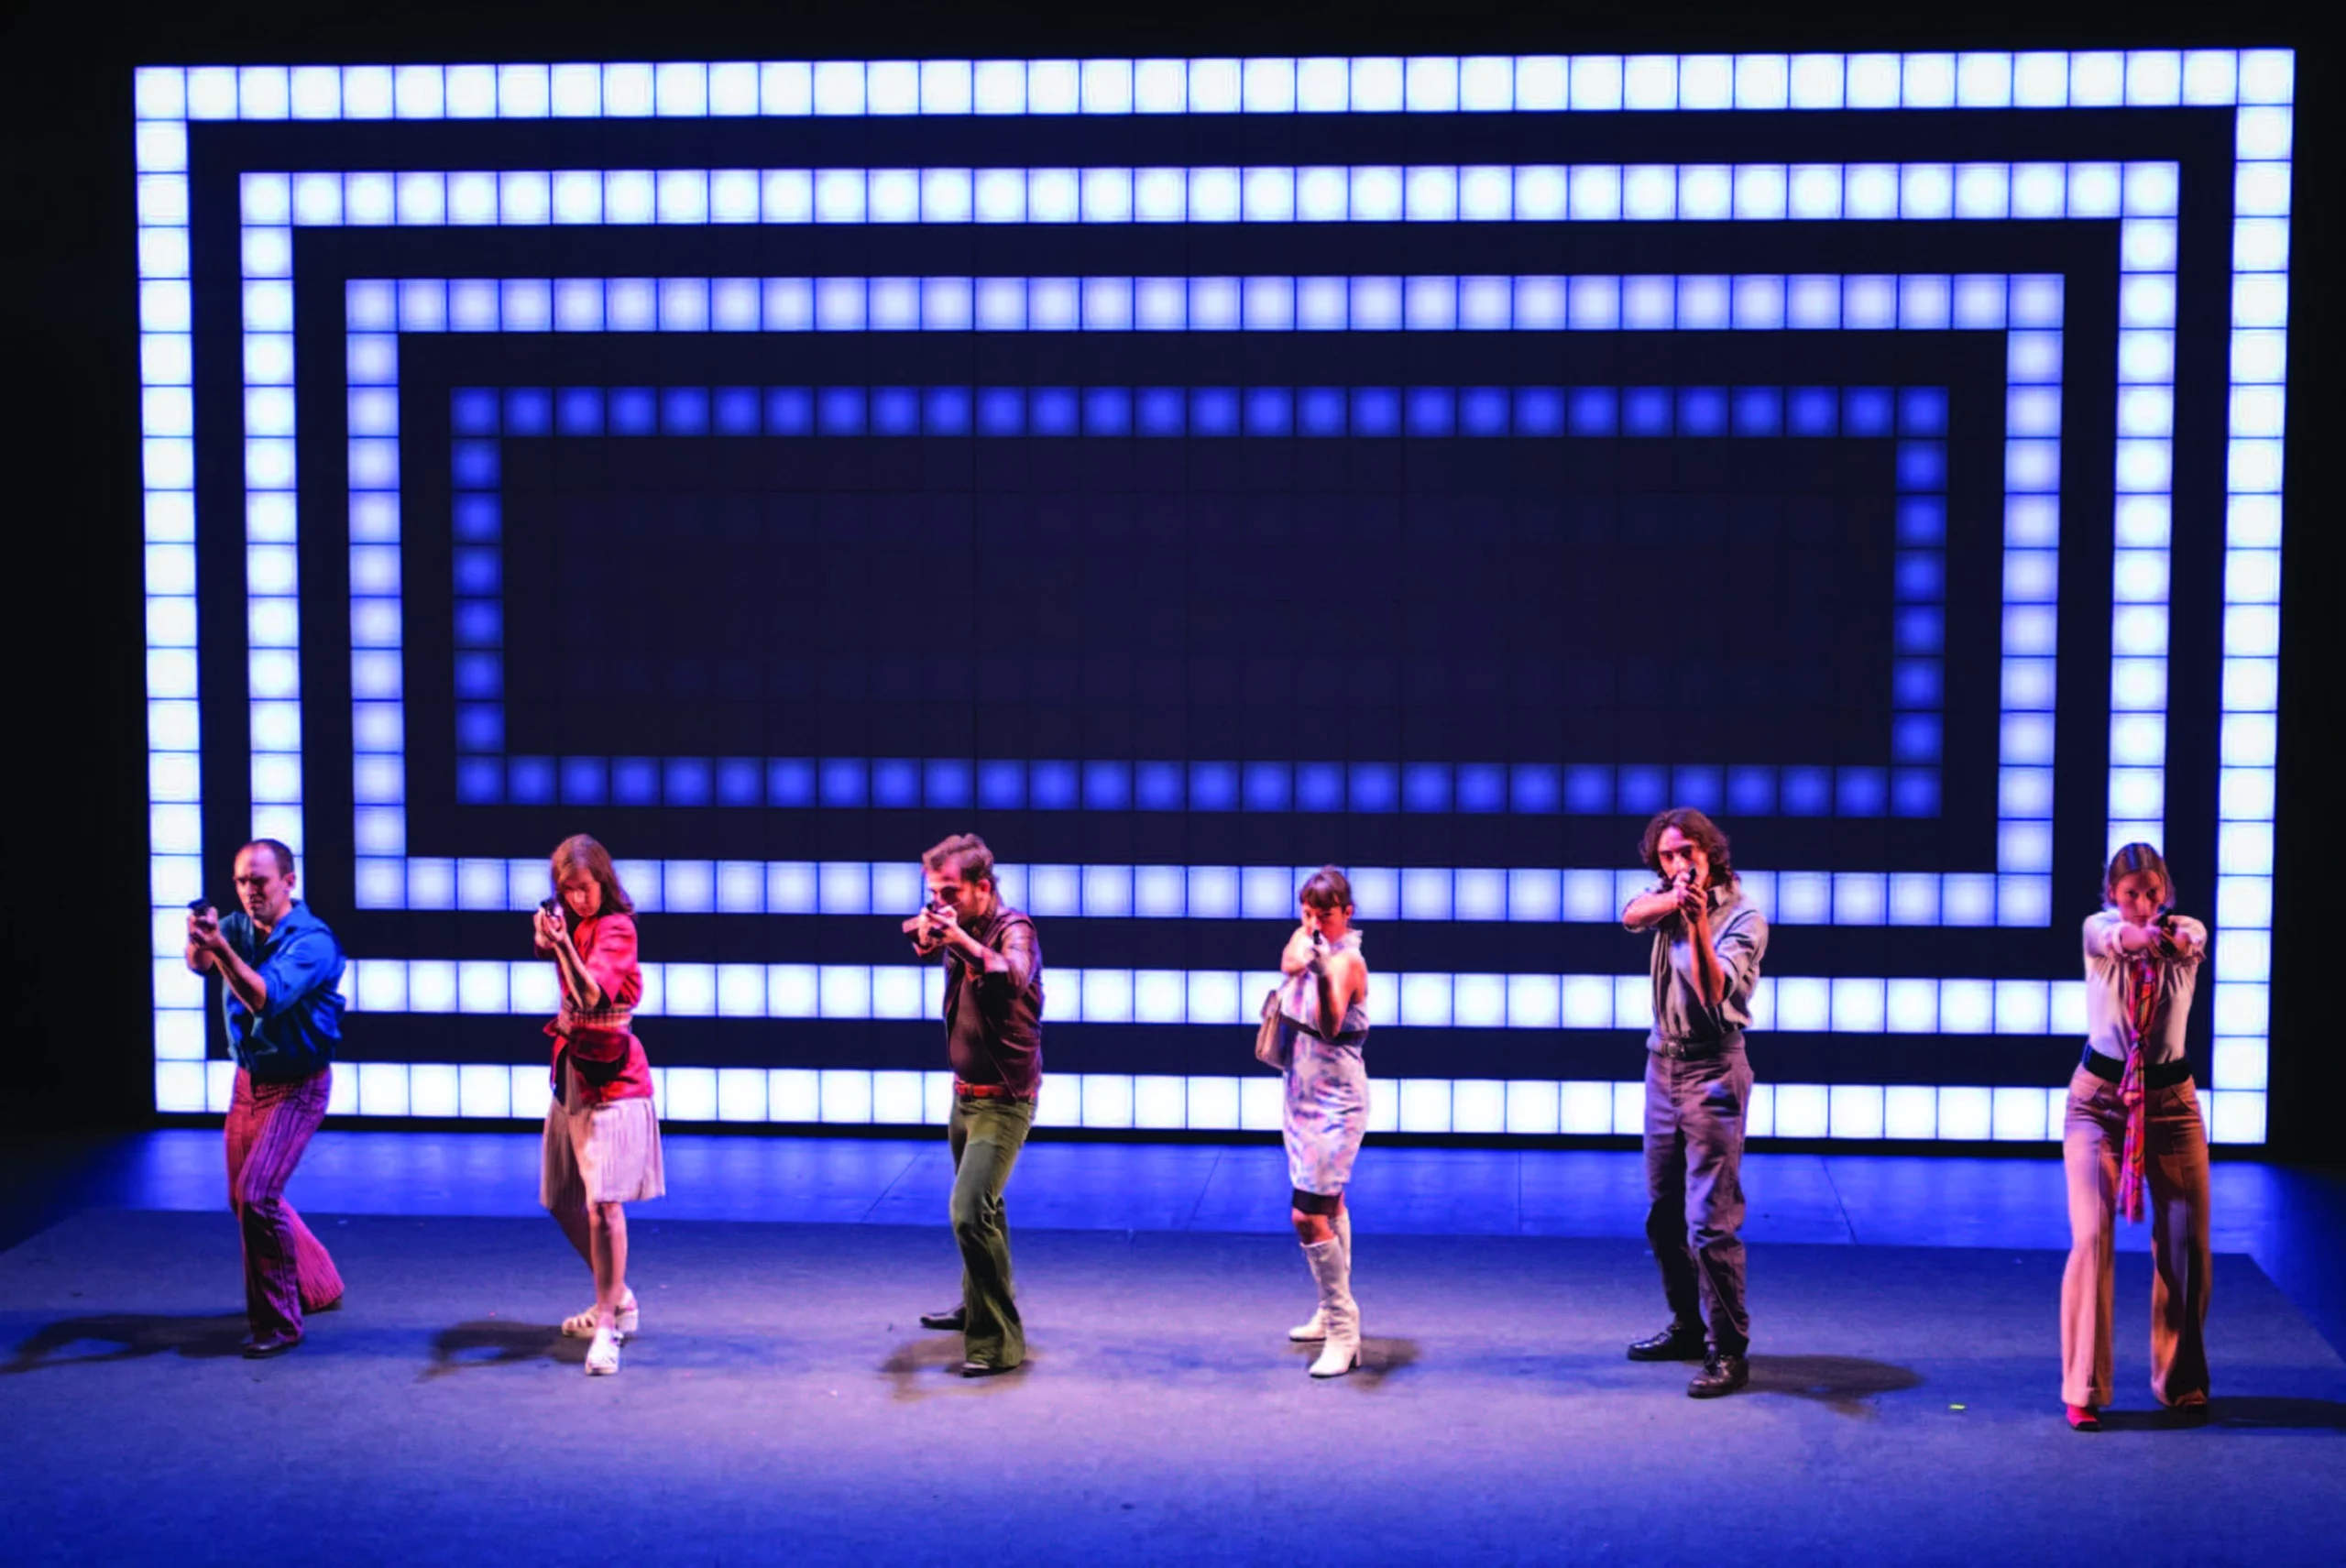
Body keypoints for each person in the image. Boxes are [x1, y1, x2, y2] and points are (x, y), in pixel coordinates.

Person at [2060, 842, 2212, 1431]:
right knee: (2092, 1238)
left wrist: (2173, 937)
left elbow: (2191, 939)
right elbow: (2119, 940)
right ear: (2111, 896)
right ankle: (2084, 1387)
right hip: (2098, 1104)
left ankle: (2180, 1379)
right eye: (2131, 895)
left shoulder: (2184, 932)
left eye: (2152, 894)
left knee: (2186, 1244)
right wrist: (2140, 935)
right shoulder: (2100, 932)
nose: (2144, 906)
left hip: (2171, 1104)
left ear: (2165, 892)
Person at [1619, 807, 1770, 1398]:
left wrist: (1698, 922)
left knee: (1711, 1221)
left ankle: (1727, 1349)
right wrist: (1674, 903)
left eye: (1688, 853)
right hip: (1663, 1063)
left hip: (1713, 1068)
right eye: (1667, 856)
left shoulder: (1744, 916)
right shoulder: (1663, 900)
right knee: (1664, 1212)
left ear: (1711, 852)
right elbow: (1630, 914)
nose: (1678, 865)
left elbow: (1711, 990)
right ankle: (1686, 1326)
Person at [182, 839, 347, 1358]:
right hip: (248, 1083)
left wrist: (219, 948)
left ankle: (280, 1323)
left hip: (298, 1086)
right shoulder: (236, 927)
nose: (249, 891)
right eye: (241, 881)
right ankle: (318, 1283)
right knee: (245, 1199)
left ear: (288, 882)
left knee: (257, 1195)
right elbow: (197, 964)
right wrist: (198, 939)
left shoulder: (313, 942)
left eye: (259, 881)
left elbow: (263, 997)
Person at [902, 834, 1044, 1376]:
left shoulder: (1014, 929)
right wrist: (932, 932)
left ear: (983, 888)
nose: (942, 903)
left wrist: (954, 938)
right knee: (985, 1208)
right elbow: (922, 943)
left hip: (1004, 1100)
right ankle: (977, 1305)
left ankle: (998, 1343)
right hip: (964, 1097)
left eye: (951, 892)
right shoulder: (962, 924)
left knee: (967, 1211)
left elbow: (1012, 975)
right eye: (933, 893)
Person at [533, 834, 663, 1376]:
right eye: (567, 891)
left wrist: (560, 947)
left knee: (604, 1204)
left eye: (584, 889)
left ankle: (608, 1322)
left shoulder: (616, 927)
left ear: (602, 882)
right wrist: (550, 939)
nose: (577, 900)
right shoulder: (575, 922)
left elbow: (591, 997)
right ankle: (619, 1295)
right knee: (562, 1197)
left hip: (612, 1078)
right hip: (571, 1071)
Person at [1277, 867, 1374, 1378]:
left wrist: (1319, 970)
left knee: (1305, 1215)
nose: (1314, 922)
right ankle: (1329, 1308)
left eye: (1326, 914)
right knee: (1329, 1202)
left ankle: (1344, 1329)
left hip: (1337, 1100)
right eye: (1308, 912)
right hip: (1300, 1092)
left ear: (1347, 913)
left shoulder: (1349, 961)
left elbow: (1332, 1023)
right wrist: (1307, 951)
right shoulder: (1307, 939)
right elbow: (1288, 957)